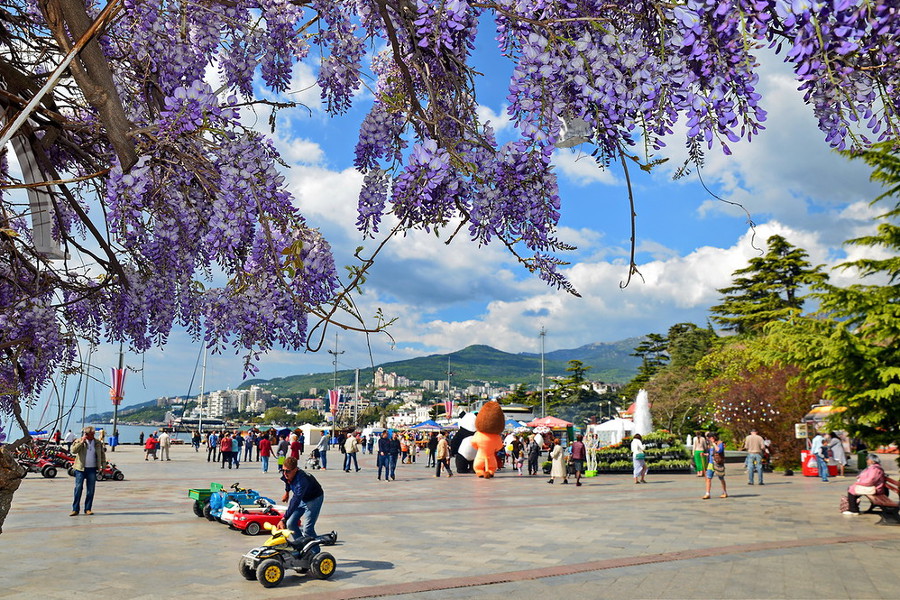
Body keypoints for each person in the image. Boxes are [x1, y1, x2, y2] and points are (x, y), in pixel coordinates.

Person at [278, 456, 325, 552]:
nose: (285, 473)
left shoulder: (302, 481)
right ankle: (302, 546)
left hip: (314, 499)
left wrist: (283, 518)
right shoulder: (287, 474)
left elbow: (295, 501)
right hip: (303, 498)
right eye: (283, 470)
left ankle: (315, 554)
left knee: (308, 529)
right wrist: (287, 492)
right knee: (290, 524)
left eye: (288, 471)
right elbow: (287, 481)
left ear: (295, 469)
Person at [70, 426, 106, 516]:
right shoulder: (79, 441)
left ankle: (88, 509)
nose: (91, 436)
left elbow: (102, 455)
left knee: (90, 490)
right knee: (78, 489)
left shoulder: (97, 443)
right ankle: (75, 509)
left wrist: (103, 467)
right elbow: (73, 451)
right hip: (80, 469)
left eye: (92, 434)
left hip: (92, 469)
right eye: (89, 434)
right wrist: (81, 442)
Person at [703, 432, 727, 499]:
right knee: (708, 478)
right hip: (711, 463)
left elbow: (719, 451)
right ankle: (707, 493)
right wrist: (705, 454)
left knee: (721, 478)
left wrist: (714, 444)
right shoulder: (710, 444)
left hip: (718, 463)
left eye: (710, 438)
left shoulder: (720, 443)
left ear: (713, 437)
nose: (709, 439)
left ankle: (724, 492)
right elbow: (711, 453)